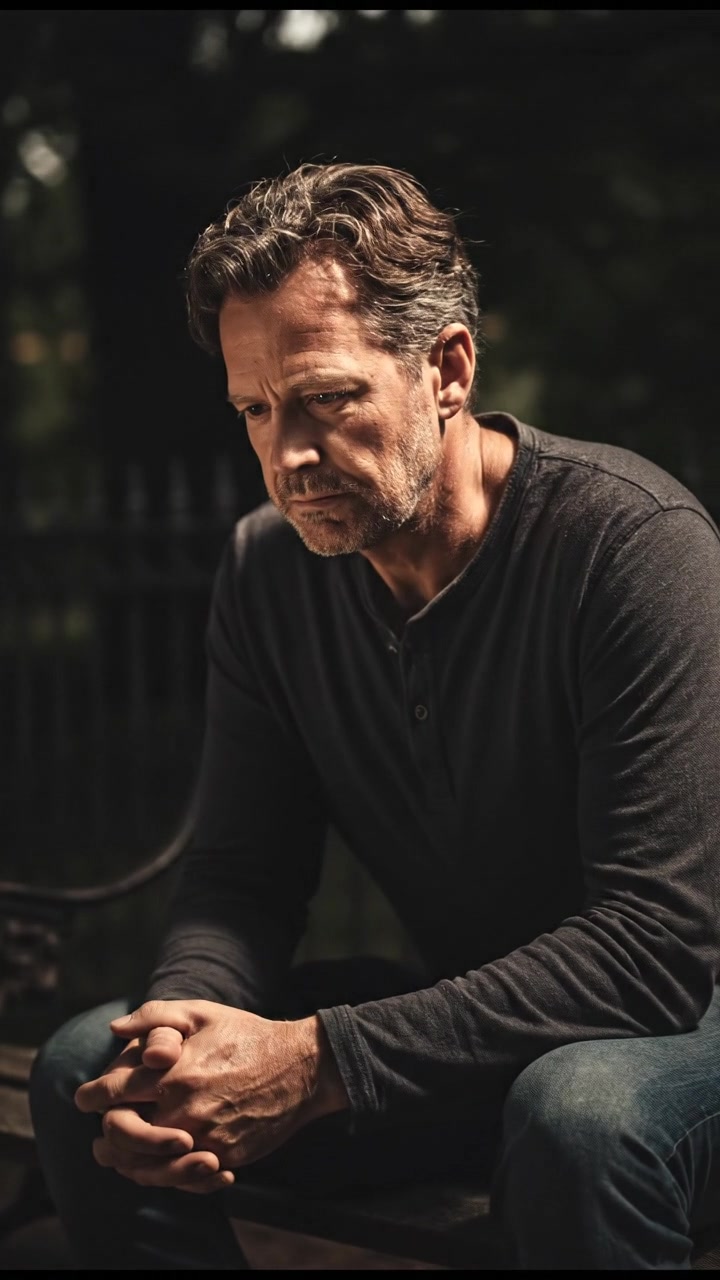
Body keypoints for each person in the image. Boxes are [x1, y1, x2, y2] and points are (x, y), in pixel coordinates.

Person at [29, 160, 720, 1271]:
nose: (285, 456)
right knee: (92, 1073)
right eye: (254, 410)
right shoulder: (267, 572)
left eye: (325, 399)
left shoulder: (633, 548)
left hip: (681, 1029)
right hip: (482, 1025)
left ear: (446, 367)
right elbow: (243, 875)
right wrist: (182, 1026)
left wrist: (319, 1057)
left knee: (578, 1114)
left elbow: (653, 948)